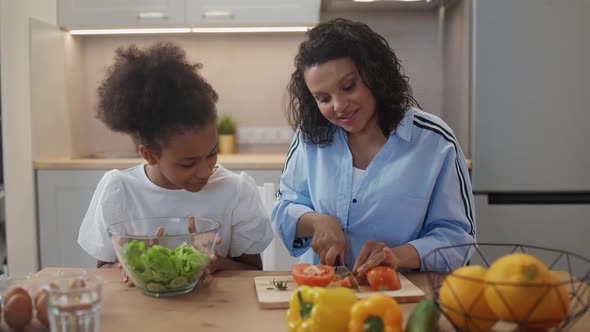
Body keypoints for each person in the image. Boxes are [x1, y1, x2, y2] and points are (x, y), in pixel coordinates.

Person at [272, 18, 475, 274]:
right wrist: (316, 222)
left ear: (375, 74)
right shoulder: (310, 136)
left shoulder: (435, 142)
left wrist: (396, 256)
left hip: (402, 295)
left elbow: (458, 238)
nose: (339, 106)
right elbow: (283, 208)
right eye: (323, 98)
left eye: (348, 87)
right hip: (323, 295)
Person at [78, 42, 273, 277]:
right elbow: (103, 270)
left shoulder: (235, 191)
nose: (204, 171)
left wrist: (216, 262)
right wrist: (133, 266)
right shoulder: (119, 190)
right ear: (149, 154)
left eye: (212, 153)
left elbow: (253, 271)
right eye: (188, 163)